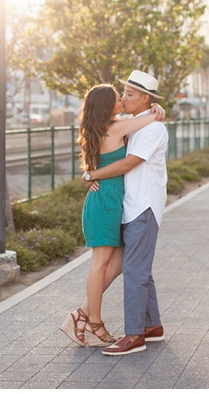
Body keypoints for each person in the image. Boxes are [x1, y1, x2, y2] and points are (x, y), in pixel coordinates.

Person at [60, 83, 165, 348]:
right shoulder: (116, 128)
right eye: (119, 98)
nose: (122, 101)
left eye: (125, 96)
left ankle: (82, 313)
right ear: (108, 106)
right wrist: (155, 106)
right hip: (105, 202)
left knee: (118, 264)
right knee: (100, 264)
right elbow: (151, 118)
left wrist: (153, 104)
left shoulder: (105, 127)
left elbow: (146, 118)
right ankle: (94, 320)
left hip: (114, 201)